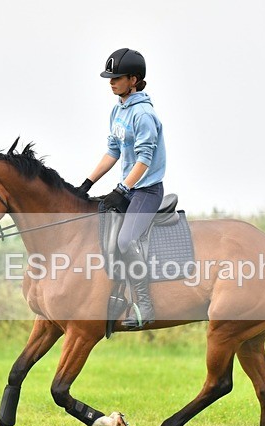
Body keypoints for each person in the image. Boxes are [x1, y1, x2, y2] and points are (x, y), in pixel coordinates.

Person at [77, 48, 166, 329]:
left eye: (117, 77)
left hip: (146, 192)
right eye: (110, 77)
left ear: (134, 79)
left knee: (126, 240)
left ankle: (144, 305)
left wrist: (121, 188)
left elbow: (144, 161)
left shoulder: (143, 115)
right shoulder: (118, 111)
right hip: (128, 189)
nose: (111, 82)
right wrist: (87, 183)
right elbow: (112, 152)